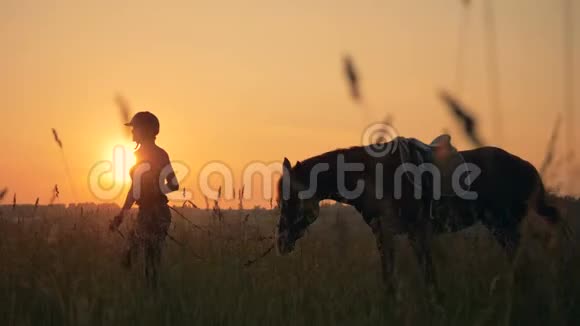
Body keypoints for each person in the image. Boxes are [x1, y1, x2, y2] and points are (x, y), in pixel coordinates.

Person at [109, 111, 179, 288]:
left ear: (146, 130)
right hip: (148, 213)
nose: (132, 132)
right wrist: (121, 215)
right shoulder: (148, 154)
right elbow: (135, 190)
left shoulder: (156, 155)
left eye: (135, 128)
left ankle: (150, 297)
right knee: (136, 258)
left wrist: (155, 191)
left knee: (146, 259)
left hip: (155, 214)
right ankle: (145, 294)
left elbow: (173, 184)